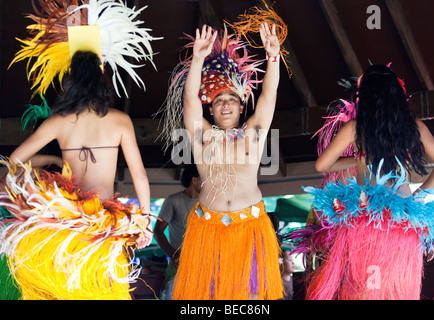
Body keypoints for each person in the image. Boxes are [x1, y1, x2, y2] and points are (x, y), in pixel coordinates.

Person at [0, 50, 152, 299]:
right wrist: (144, 222)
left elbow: (14, 161)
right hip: (104, 224)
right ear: (103, 79)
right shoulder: (120, 121)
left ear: (70, 82)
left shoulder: (57, 122)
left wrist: (52, 161)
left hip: (67, 223)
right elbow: (140, 176)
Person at [300, 64, 434, 300]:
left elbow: (322, 165)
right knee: (396, 291)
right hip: (402, 223)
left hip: (366, 219)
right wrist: (417, 198)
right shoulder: (413, 128)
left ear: (364, 98)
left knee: (364, 290)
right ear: (397, 95)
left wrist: (357, 158)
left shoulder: (355, 128)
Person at [165, 22, 284, 300]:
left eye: (232, 99)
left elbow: (269, 95)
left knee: (251, 297)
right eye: (219, 100)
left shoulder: (253, 134)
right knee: (207, 297)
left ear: (242, 105)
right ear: (212, 108)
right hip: (207, 228)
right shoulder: (202, 136)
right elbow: (189, 101)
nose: (226, 104)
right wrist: (197, 58)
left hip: (251, 227)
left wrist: (273, 56)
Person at [155, 164, 201, 299]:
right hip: (180, 265)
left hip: (204, 263)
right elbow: (158, 231)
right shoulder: (173, 201)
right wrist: (173, 255)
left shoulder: (209, 202)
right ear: (194, 180)